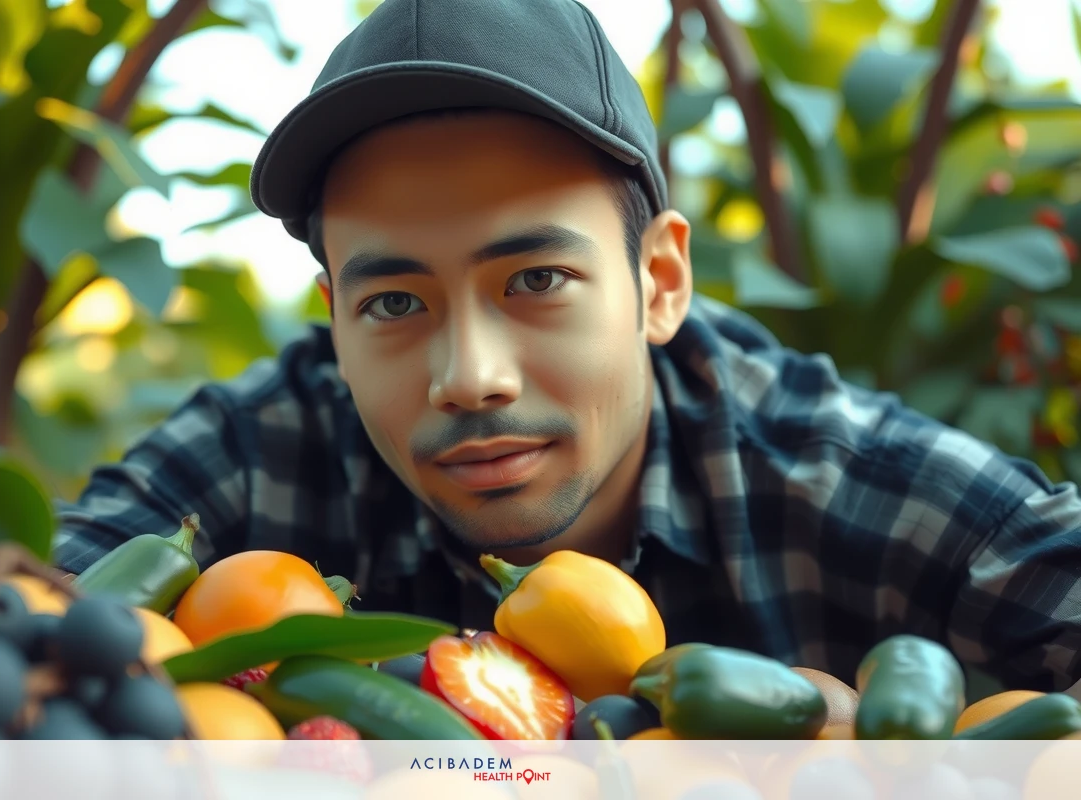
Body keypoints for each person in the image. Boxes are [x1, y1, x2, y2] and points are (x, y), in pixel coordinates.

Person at [53, 0, 1081, 695]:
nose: (469, 377)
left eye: (535, 280)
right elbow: (5, 632)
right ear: (333, 316)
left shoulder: (827, 473)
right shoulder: (257, 454)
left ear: (659, 283)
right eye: (394, 304)